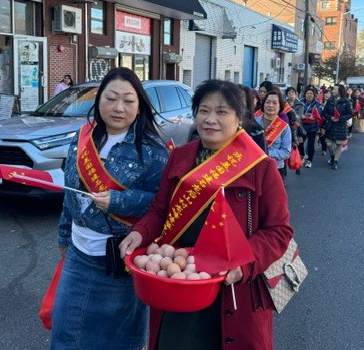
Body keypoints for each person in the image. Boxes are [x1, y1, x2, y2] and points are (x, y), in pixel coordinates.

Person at [120, 79, 293, 350]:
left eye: (222, 112)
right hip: (180, 285)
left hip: (235, 291)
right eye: (203, 110)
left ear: (240, 119)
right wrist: (140, 232)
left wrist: (243, 264)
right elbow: (160, 210)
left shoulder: (261, 168)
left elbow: (278, 231)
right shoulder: (180, 158)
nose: (210, 119)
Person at [50, 67, 169, 350]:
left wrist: (119, 201)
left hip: (121, 259)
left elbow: (162, 206)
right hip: (79, 255)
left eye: (128, 100)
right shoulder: (83, 137)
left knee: (117, 339)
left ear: (139, 105)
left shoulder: (153, 151)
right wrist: (64, 236)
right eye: (111, 98)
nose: (118, 107)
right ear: (99, 99)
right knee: (66, 334)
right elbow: (71, 192)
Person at [255, 88, 292, 181]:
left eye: (275, 103)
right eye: (268, 102)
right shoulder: (254, 122)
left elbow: (286, 152)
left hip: (275, 168)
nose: (270, 105)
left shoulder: (284, 127)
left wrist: (265, 153)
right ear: (263, 104)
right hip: (254, 167)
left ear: (280, 106)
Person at [322, 83, 353, 170]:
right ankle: (332, 155)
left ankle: (335, 161)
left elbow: (350, 114)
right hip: (330, 125)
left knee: (339, 144)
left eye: (335, 89)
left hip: (341, 126)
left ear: (339, 91)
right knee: (328, 143)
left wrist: (340, 118)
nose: (333, 91)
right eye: (333, 89)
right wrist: (330, 117)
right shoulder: (330, 100)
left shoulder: (345, 101)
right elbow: (324, 112)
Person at [299, 87, 324, 168]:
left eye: (311, 94)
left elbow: (320, 113)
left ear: (314, 95)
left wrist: (312, 116)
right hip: (302, 126)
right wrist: (301, 115)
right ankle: (302, 155)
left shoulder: (317, 104)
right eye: (307, 93)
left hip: (312, 126)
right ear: (305, 94)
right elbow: (296, 111)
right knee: (300, 142)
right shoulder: (301, 101)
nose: (309, 95)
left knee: (310, 144)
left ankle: (309, 160)